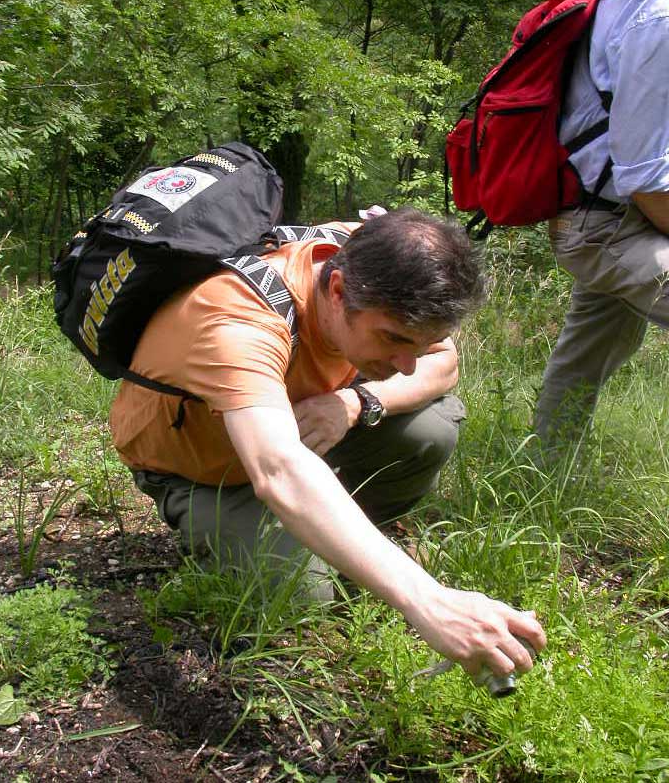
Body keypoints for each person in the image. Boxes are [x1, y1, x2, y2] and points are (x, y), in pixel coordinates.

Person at [110, 207, 546, 682]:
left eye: (420, 345)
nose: (407, 364)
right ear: (336, 291)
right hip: (208, 471)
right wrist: (429, 601)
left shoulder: (364, 251)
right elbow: (279, 471)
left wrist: (358, 401)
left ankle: (351, 539)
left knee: (431, 427)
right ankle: (261, 534)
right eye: (394, 340)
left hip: (297, 431)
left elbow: (445, 367)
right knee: (304, 598)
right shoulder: (237, 318)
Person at [534, 0, 669, 444]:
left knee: (586, 354)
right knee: (586, 352)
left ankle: (547, 473)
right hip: (611, 225)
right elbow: (648, 179)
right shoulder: (657, 14)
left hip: (610, 211)